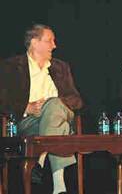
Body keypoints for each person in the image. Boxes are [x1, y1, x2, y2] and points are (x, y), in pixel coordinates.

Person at [0, 24, 83, 194]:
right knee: (61, 128)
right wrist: (26, 107)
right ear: (34, 42)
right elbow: (3, 99)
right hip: (29, 121)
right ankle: (58, 183)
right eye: (50, 40)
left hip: (60, 112)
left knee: (53, 107)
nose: (54, 45)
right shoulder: (10, 67)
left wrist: (53, 103)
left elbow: (77, 100)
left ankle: (41, 157)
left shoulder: (61, 67)